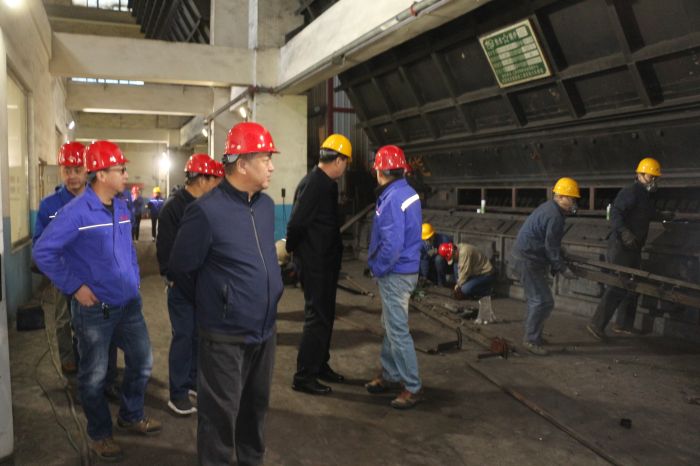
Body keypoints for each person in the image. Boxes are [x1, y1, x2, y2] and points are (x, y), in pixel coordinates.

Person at [33, 140, 160, 462]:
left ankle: (130, 414)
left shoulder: (122, 206)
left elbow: (128, 248)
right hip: (95, 312)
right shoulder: (75, 212)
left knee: (142, 361)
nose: (126, 174)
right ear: (102, 174)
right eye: (121, 169)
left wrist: (133, 278)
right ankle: (100, 434)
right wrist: (74, 286)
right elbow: (43, 251)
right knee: (93, 377)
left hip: (128, 305)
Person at [168, 122, 283, 466]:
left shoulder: (265, 206)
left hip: (264, 331)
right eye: (265, 159)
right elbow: (180, 269)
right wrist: (220, 302)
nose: (272, 166)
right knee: (219, 417)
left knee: (255, 410)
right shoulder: (205, 211)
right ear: (242, 164)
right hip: (224, 336)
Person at [156, 153, 222, 416]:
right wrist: (175, 281)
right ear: (202, 179)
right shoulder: (173, 208)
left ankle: (193, 382)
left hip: (202, 287)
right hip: (181, 288)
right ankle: (178, 394)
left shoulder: (207, 205)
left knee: (198, 337)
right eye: (214, 179)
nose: (217, 185)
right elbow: (167, 254)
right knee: (183, 336)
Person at [286, 134, 351, 395]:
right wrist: (294, 252)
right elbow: (296, 223)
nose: (345, 168)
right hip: (315, 264)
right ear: (339, 160)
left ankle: (320, 365)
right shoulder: (315, 184)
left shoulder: (324, 183)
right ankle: (304, 376)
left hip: (324, 262)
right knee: (317, 318)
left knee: (325, 316)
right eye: (346, 162)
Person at [364, 145, 423, 410]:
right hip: (406, 269)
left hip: (395, 273)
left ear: (380, 171)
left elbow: (391, 244)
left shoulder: (391, 199)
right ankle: (390, 374)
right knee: (389, 325)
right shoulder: (407, 192)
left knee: (397, 330)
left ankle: (412, 386)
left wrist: (377, 268)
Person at [587, 158, 668, 340]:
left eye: (656, 178)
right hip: (621, 246)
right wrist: (624, 233)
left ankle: (623, 324)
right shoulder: (630, 191)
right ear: (639, 175)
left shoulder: (644, 195)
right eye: (651, 177)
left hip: (634, 248)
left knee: (633, 286)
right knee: (618, 285)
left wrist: (662, 215)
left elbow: (646, 213)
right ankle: (596, 324)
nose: (654, 181)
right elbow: (615, 213)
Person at [33, 142, 87, 374]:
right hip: (63, 275)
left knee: (95, 318)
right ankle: (68, 359)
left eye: (77, 170)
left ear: (86, 169)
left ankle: (94, 359)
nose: (72, 176)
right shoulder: (49, 205)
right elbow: (39, 242)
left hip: (93, 274)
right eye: (67, 170)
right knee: (64, 318)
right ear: (61, 170)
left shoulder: (98, 200)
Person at [511, 177, 579, 356]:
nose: (574, 203)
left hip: (526, 257)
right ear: (561, 197)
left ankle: (534, 335)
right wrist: (562, 268)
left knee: (537, 300)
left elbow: (548, 240)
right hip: (528, 260)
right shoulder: (555, 216)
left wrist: (560, 253)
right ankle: (531, 340)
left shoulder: (549, 208)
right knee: (542, 301)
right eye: (571, 198)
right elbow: (550, 247)